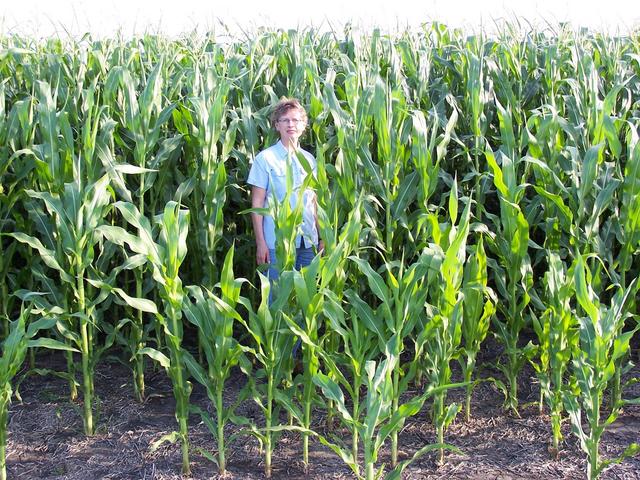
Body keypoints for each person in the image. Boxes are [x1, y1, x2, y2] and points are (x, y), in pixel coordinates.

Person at [247, 97, 323, 282]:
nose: (291, 124)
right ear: (276, 125)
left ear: (303, 126)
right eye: (285, 120)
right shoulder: (265, 159)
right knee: (277, 300)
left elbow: (314, 202)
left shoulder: (309, 160)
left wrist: (322, 237)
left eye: (296, 120)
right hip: (277, 245)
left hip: (308, 243)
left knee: (306, 301)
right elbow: (257, 204)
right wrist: (261, 244)